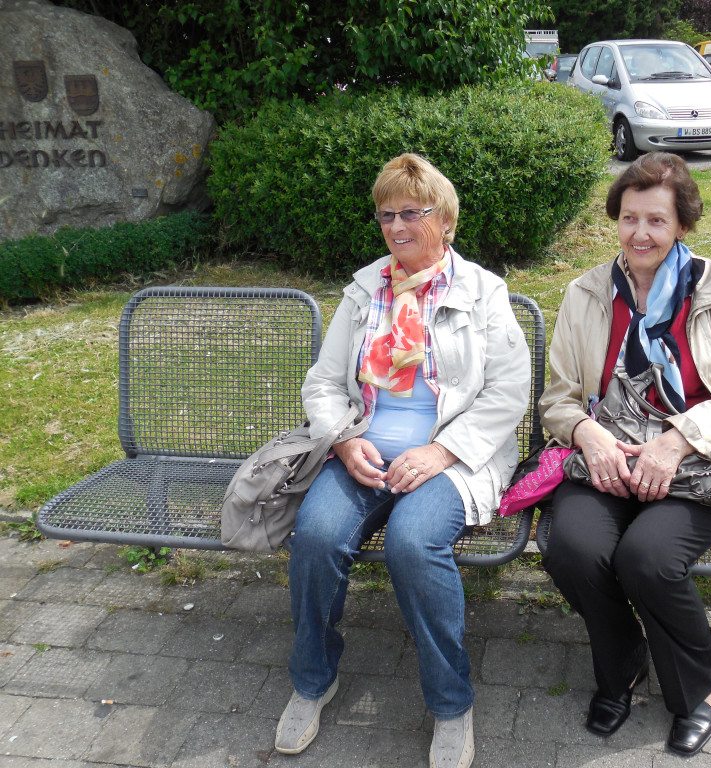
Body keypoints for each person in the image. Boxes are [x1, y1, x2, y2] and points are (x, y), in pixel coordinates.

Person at [538, 152, 711, 758]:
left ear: (682, 224)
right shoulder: (586, 293)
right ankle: (623, 659)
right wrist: (587, 434)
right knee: (572, 548)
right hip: (605, 458)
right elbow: (557, 398)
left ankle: (698, 679)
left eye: (656, 220)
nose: (640, 234)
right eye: (629, 218)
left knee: (648, 559)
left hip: (700, 462)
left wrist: (677, 440)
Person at [277, 153, 531, 768]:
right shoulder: (365, 291)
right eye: (387, 215)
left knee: (413, 544)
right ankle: (312, 681)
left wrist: (442, 450)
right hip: (365, 451)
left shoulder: (483, 292)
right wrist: (343, 439)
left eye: (412, 213)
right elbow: (322, 383)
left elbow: (509, 390)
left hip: (453, 458)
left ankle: (451, 704)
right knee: (316, 535)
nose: (397, 227)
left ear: (444, 220)